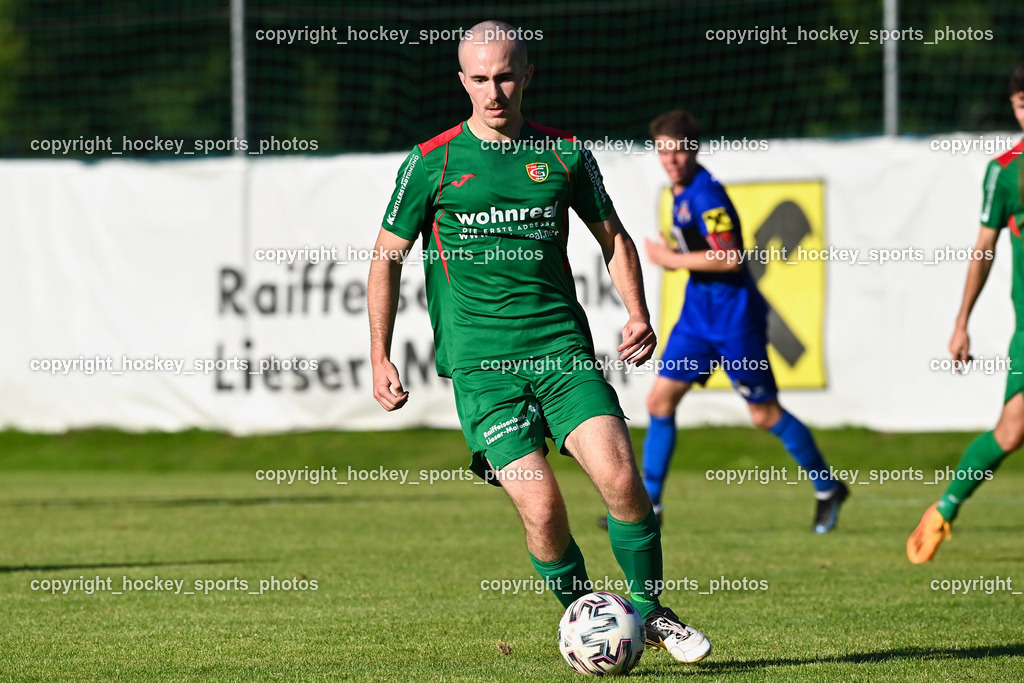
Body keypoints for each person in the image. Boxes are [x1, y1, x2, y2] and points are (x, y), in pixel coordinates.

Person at [367, 20, 711, 664]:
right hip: (482, 369)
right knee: (544, 508)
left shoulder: (566, 154)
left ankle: (650, 612)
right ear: (461, 82)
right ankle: (588, 620)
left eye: (504, 76)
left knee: (620, 480)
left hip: (561, 352)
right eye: (478, 80)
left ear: (527, 75)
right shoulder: (430, 162)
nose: (492, 92)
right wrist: (379, 353)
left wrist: (636, 310)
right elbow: (386, 257)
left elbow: (614, 239)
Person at [624, 110, 848, 533]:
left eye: (678, 150)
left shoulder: (707, 195)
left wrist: (672, 259)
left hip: (733, 321)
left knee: (763, 415)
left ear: (693, 150)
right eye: (663, 151)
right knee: (658, 403)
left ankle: (827, 487)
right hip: (697, 319)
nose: (670, 159)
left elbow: (729, 257)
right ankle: (649, 506)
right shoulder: (680, 191)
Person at [907, 65, 1024, 564]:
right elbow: (984, 248)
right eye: (1022, 102)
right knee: (1013, 431)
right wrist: (961, 321)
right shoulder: (1006, 170)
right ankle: (944, 508)